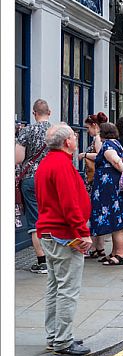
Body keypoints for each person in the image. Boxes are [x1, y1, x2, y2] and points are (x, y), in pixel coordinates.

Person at [35, 123, 92, 356]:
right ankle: (63, 341)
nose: (76, 138)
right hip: (64, 236)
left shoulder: (47, 163)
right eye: (74, 136)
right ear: (67, 142)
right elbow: (69, 204)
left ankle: (54, 336)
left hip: (49, 233)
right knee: (67, 289)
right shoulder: (61, 166)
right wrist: (82, 232)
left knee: (54, 287)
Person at [90, 122, 123, 266]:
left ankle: (121, 254)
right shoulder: (116, 143)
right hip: (116, 191)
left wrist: (122, 171)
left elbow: (117, 162)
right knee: (117, 222)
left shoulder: (108, 146)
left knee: (117, 224)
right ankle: (115, 252)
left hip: (113, 192)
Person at [15, 99, 52, 274]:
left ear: (34, 113)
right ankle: (54, 258)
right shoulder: (56, 131)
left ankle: (42, 261)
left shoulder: (27, 131)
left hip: (31, 179)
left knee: (36, 220)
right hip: (52, 178)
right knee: (50, 216)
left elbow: (18, 158)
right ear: (49, 112)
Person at [78, 112, 108, 260]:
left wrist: (84, 154)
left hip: (93, 181)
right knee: (96, 214)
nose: (87, 131)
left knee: (93, 213)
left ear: (94, 126)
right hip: (94, 181)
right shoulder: (100, 137)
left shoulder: (97, 138)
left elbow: (99, 155)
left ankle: (98, 248)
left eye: (88, 127)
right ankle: (98, 248)